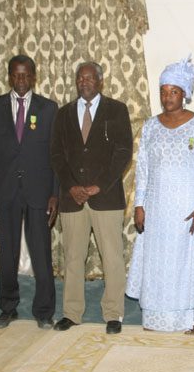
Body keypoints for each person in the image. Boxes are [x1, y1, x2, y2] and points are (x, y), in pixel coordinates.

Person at [126, 56, 194, 333]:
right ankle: (155, 319)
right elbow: (143, 167)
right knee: (157, 264)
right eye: (163, 91)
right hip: (156, 209)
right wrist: (139, 204)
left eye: (174, 91)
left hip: (186, 210)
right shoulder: (151, 126)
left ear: (185, 93)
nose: (167, 97)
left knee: (184, 264)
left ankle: (189, 319)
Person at [50, 62, 133, 334]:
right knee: (73, 258)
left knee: (112, 257)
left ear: (100, 81)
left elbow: (123, 152)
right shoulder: (63, 114)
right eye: (80, 78)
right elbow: (56, 154)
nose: (84, 82)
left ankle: (113, 314)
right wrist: (71, 186)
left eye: (89, 78)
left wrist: (100, 185)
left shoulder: (116, 110)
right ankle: (71, 313)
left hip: (105, 197)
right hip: (72, 198)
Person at [0, 55, 59, 330]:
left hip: (39, 192)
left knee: (41, 255)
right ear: (9, 77)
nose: (21, 80)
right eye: (16, 75)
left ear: (34, 77)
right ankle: (8, 307)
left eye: (26, 75)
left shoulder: (49, 109)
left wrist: (55, 194)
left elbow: (55, 155)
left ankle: (44, 311)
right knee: (8, 253)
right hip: (5, 193)